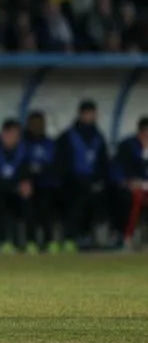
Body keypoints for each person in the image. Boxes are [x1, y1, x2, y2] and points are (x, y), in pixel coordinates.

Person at [55, 99, 109, 252]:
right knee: (77, 199)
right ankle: (71, 237)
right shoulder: (68, 136)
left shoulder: (98, 137)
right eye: (88, 114)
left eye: (93, 114)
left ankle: (88, 236)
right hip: (71, 182)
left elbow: (103, 163)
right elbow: (61, 163)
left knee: (100, 196)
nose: (91, 117)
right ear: (81, 115)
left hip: (93, 181)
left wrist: (100, 181)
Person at [0, 119, 34, 253]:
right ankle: (4, 242)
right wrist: (14, 187)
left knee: (31, 202)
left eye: (16, 136)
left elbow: (27, 171)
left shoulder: (23, 148)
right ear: (3, 134)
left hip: (15, 191)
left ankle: (30, 242)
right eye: (11, 135)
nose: (13, 139)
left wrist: (26, 183)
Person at [24, 111, 59, 251]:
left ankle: (49, 241)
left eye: (40, 123)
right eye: (34, 124)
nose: (37, 127)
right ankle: (30, 242)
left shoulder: (50, 144)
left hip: (46, 185)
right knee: (28, 206)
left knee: (47, 206)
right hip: (27, 185)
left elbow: (55, 166)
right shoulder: (23, 143)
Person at [111, 117, 148, 247]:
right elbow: (119, 170)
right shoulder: (127, 146)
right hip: (129, 188)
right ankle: (126, 237)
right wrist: (128, 182)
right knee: (134, 198)